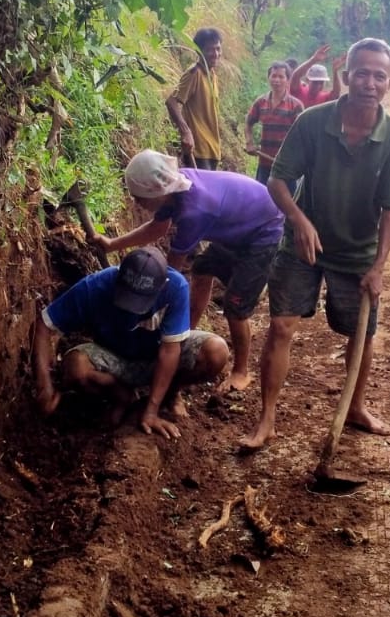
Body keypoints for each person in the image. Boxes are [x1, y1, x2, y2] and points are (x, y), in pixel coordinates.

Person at [239, 38, 390, 451]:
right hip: (304, 245)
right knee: (281, 326)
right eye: (361, 73)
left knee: (361, 333)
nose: (369, 82)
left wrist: (378, 267)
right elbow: (278, 181)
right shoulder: (313, 122)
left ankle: (356, 407)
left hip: (357, 252)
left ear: (388, 83)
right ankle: (267, 419)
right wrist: (298, 220)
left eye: (378, 75)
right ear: (347, 76)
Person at [91, 151, 285, 392]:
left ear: (156, 190)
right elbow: (157, 228)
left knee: (235, 307)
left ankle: (241, 371)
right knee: (203, 268)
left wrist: (153, 312)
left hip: (263, 232)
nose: (136, 202)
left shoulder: (195, 211)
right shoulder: (173, 191)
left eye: (138, 196)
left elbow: (170, 272)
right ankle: (187, 331)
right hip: (238, 226)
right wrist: (112, 244)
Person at [32, 247, 229, 438]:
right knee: (75, 368)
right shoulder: (95, 286)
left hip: (156, 356)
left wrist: (151, 412)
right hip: (113, 357)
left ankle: (168, 395)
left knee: (216, 352)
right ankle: (123, 396)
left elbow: (170, 352)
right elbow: (45, 324)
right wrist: (44, 386)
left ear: (162, 286)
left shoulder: (176, 287)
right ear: (117, 278)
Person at [166, 27, 223, 169]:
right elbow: (171, 101)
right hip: (198, 150)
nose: (215, 54)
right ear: (199, 51)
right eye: (210, 49)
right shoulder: (194, 73)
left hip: (212, 150)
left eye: (218, 49)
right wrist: (185, 131)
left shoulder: (213, 75)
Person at [245, 61, 304, 184]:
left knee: (286, 201)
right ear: (269, 78)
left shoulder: (296, 106)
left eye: (281, 77)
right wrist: (249, 143)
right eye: (274, 76)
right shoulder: (260, 102)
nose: (276, 80)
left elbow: (302, 135)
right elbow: (248, 122)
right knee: (262, 199)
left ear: (288, 80)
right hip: (264, 163)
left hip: (286, 166)